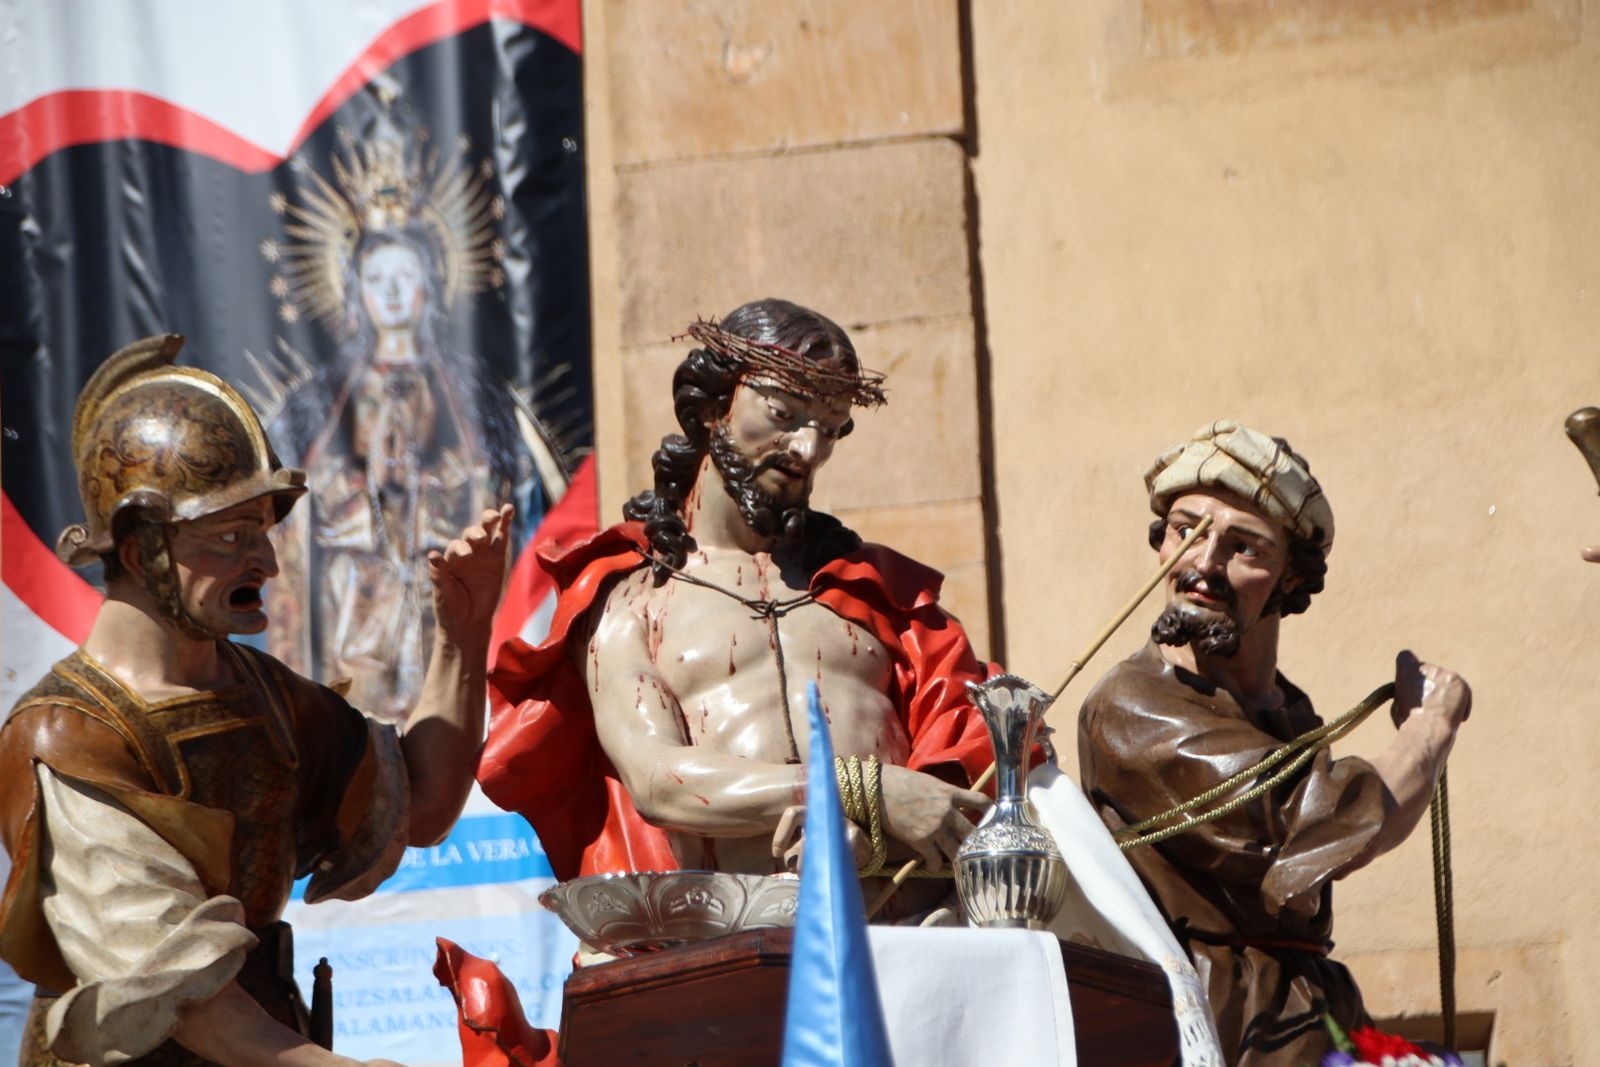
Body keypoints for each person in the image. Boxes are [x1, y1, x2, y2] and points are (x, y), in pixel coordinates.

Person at [0, 334, 510, 1067]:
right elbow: (180, 991)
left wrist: (461, 633)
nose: (267, 561)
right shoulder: (68, 736)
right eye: (232, 535)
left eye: (264, 532)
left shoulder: (265, 694)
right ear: (144, 551)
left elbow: (422, 802)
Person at [478, 298, 994, 919]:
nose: (807, 449)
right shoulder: (631, 600)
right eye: (783, 413)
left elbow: (960, 757)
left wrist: (882, 822)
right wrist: (862, 792)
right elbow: (658, 780)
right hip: (726, 943)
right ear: (712, 406)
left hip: (902, 927)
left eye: (830, 429)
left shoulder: (885, 599)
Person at [1077, 419, 1472, 1067]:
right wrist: (1431, 726)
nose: (1202, 564)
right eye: (1186, 529)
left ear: (1292, 577)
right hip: (1219, 1030)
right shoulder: (1134, 706)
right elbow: (1321, 826)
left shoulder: (1287, 710)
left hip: (1312, 1020)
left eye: (1244, 547)